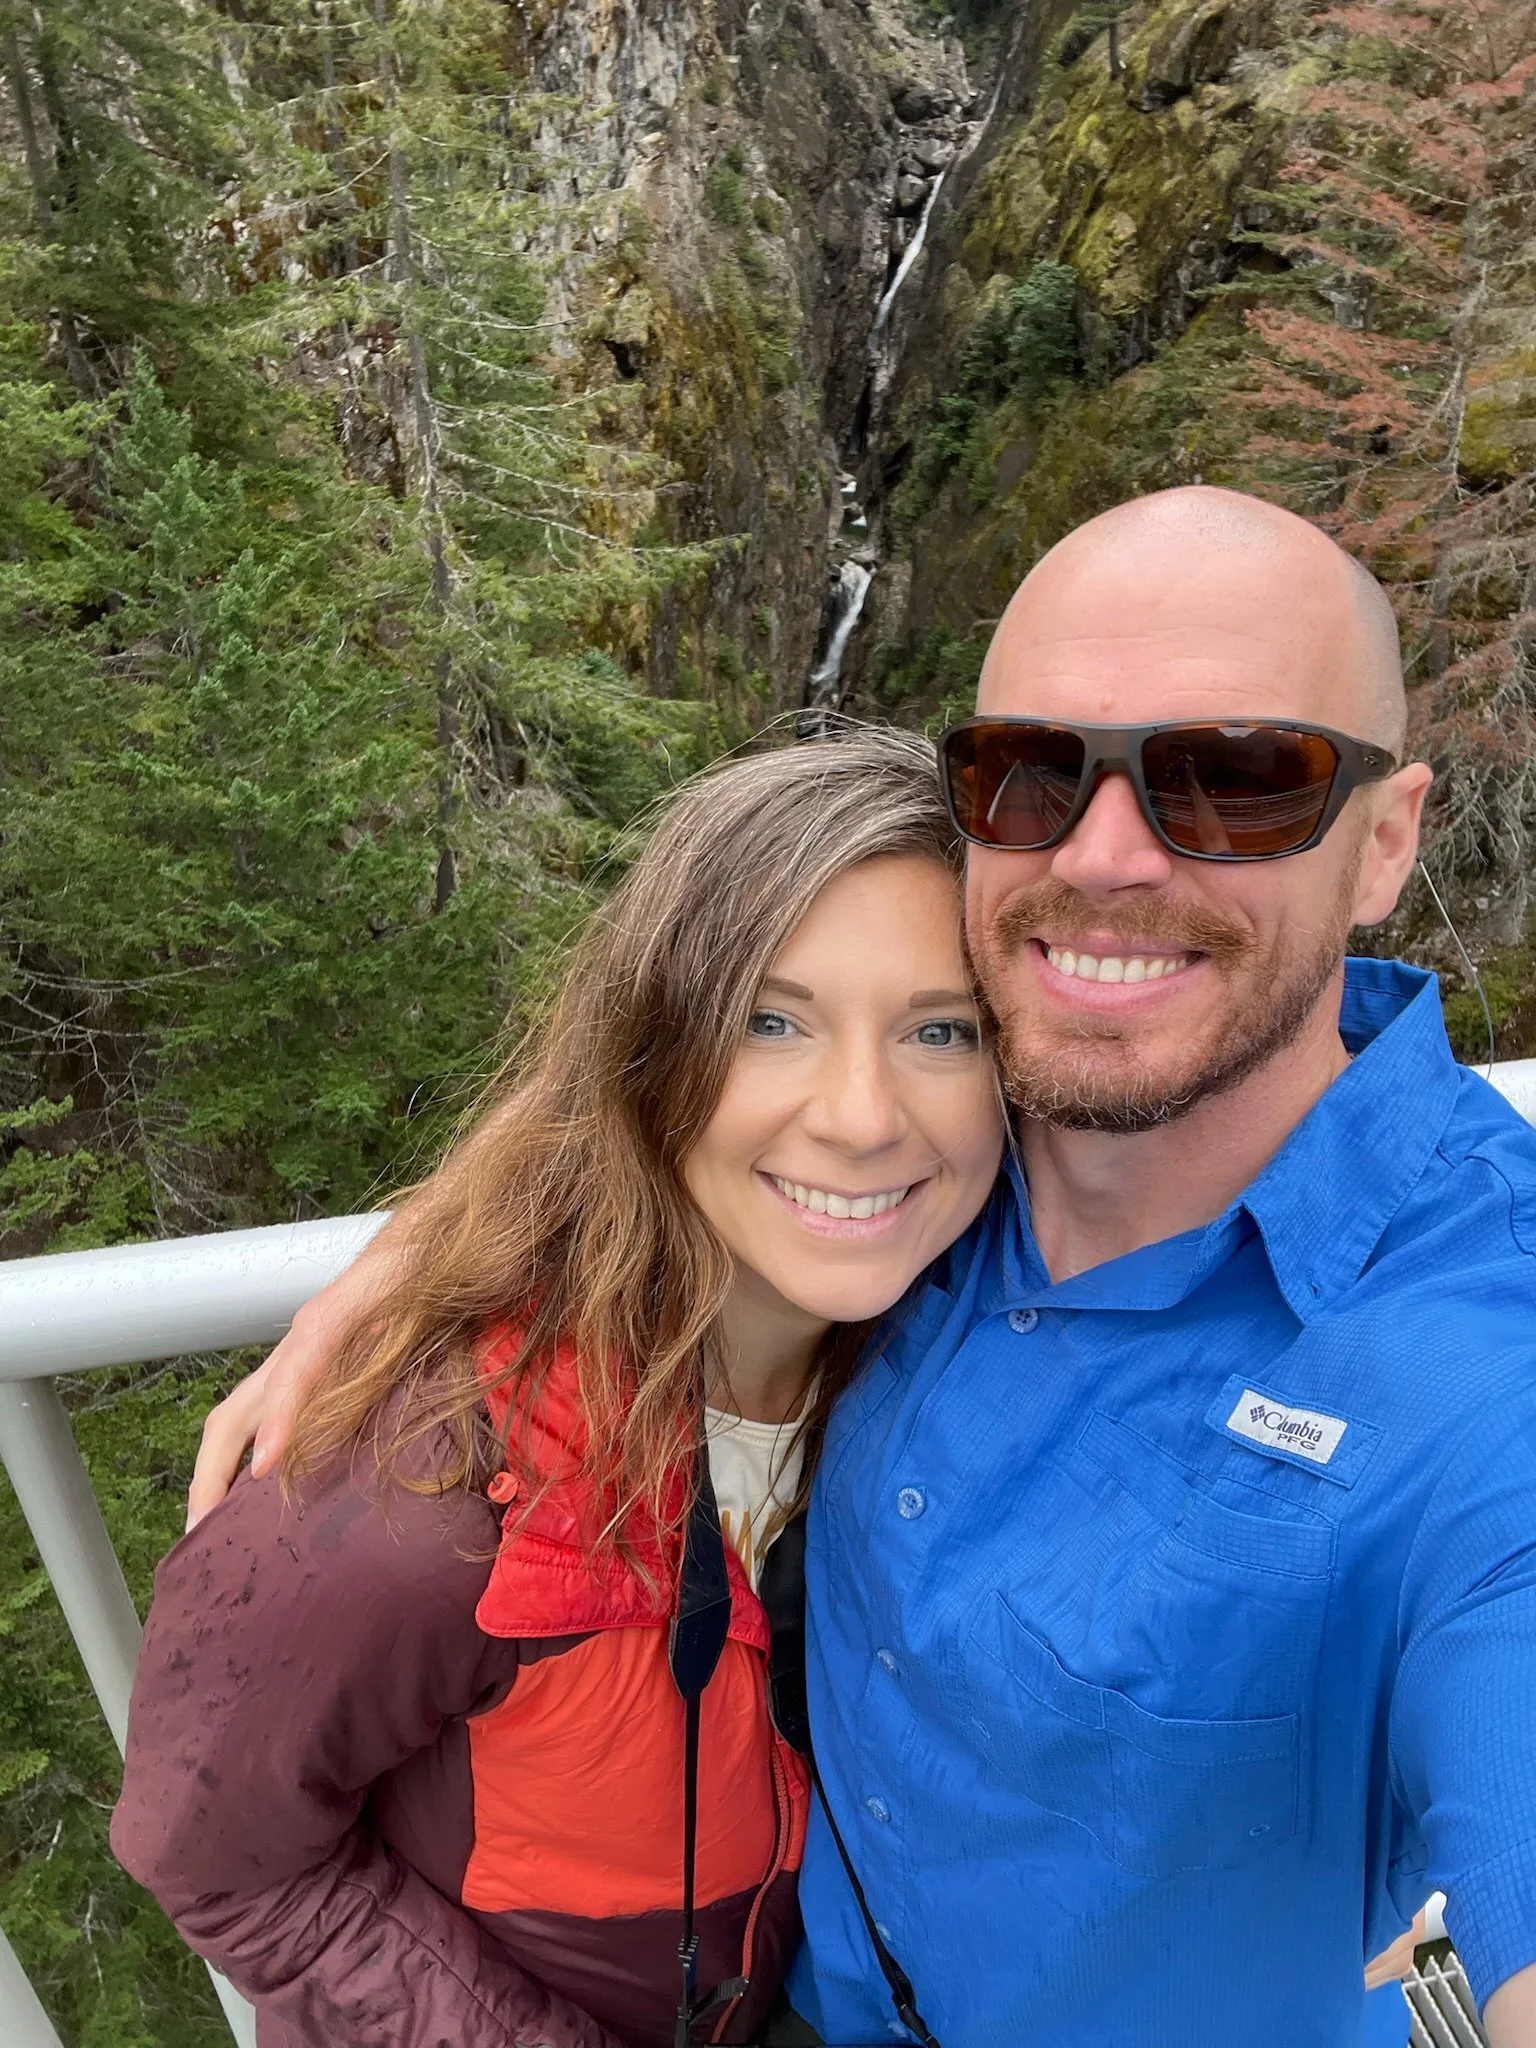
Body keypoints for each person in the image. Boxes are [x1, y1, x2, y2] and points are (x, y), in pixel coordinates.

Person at [184, 486, 1536, 2048]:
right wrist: (414, 1261)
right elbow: (670, 1060)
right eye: (1032, 771)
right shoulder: (940, 1151)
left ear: (1386, 841)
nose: (1105, 856)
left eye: (1235, 781)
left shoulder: (1477, 1361)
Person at [110, 731, 1006, 2048]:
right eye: (769, 1021)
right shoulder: (417, 1499)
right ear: (652, 1048)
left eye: (941, 1029)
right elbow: (208, 1852)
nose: (864, 1116)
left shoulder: (957, 1341)